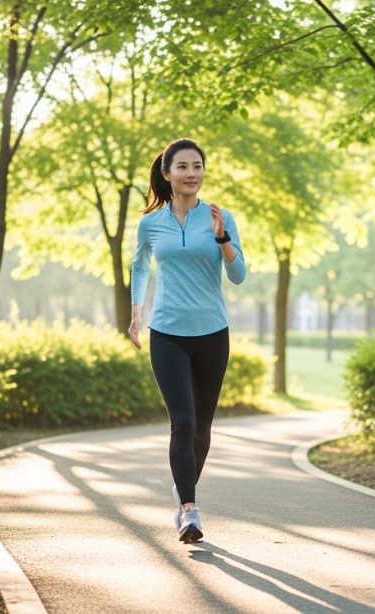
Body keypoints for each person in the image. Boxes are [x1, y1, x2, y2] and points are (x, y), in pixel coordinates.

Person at [128, 138, 246, 544]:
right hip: (167, 333)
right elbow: (140, 264)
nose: (191, 173)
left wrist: (221, 238)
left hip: (213, 332)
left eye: (197, 166)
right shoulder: (151, 223)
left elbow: (239, 275)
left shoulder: (219, 215)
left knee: (202, 428)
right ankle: (188, 511)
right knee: (183, 422)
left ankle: (183, 488)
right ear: (167, 173)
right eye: (182, 167)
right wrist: (136, 311)